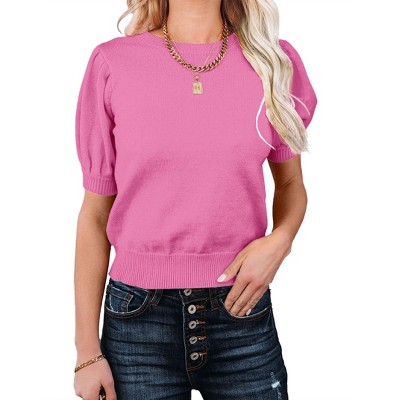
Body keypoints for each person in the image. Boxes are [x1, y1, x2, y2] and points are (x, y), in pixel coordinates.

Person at [73, 0, 318, 399]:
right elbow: (94, 215)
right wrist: (87, 352)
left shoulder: (272, 61)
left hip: (241, 310)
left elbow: (290, 183)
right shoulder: (113, 64)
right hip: (137, 323)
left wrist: (281, 239)